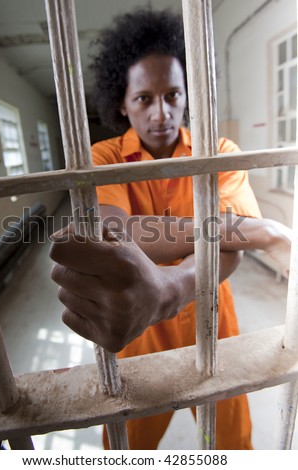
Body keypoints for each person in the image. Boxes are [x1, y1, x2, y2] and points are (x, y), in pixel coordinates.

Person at [50, 8, 292, 450]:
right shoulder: (101, 157)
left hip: (210, 318)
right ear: (121, 102)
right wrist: (260, 230)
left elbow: (228, 250)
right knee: (127, 446)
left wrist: (171, 285)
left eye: (173, 95)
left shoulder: (218, 151)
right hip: (138, 329)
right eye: (144, 98)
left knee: (232, 445)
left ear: (188, 96)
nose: (161, 112)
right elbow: (117, 234)